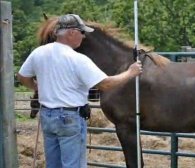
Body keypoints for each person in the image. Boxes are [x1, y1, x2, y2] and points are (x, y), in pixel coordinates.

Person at [17, 14, 142, 168]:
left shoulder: (39, 53)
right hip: (70, 118)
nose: (83, 37)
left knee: (53, 164)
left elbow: (22, 77)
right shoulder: (77, 59)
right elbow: (105, 84)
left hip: (47, 116)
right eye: (82, 33)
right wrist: (130, 72)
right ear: (71, 33)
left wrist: (38, 87)